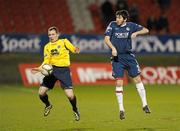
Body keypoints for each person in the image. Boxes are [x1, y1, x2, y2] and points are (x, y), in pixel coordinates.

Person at [104, 10, 151, 120]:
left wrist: (137, 33)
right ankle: (121, 109)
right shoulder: (112, 25)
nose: (117, 19)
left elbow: (146, 30)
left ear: (125, 19)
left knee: (138, 79)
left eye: (120, 18)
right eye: (117, 17)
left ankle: (145, 104)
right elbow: (106, 39)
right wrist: (113, 48)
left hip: (129, 57)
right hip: (117, 58)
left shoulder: (131, 26)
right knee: (119, 81)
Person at [31, 26, 80, 121]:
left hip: (63, 71)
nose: (51, 36)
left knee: (70, 95)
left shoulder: (64, 42)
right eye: (49, 35)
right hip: (52, 71)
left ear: (57, 34)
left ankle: (75, 109)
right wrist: (39, 68)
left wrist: (75, 49)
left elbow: (73, 49)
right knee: (41, 93)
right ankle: (48, 105)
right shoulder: (47, 47)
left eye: (53, 34)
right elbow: (46, 60)